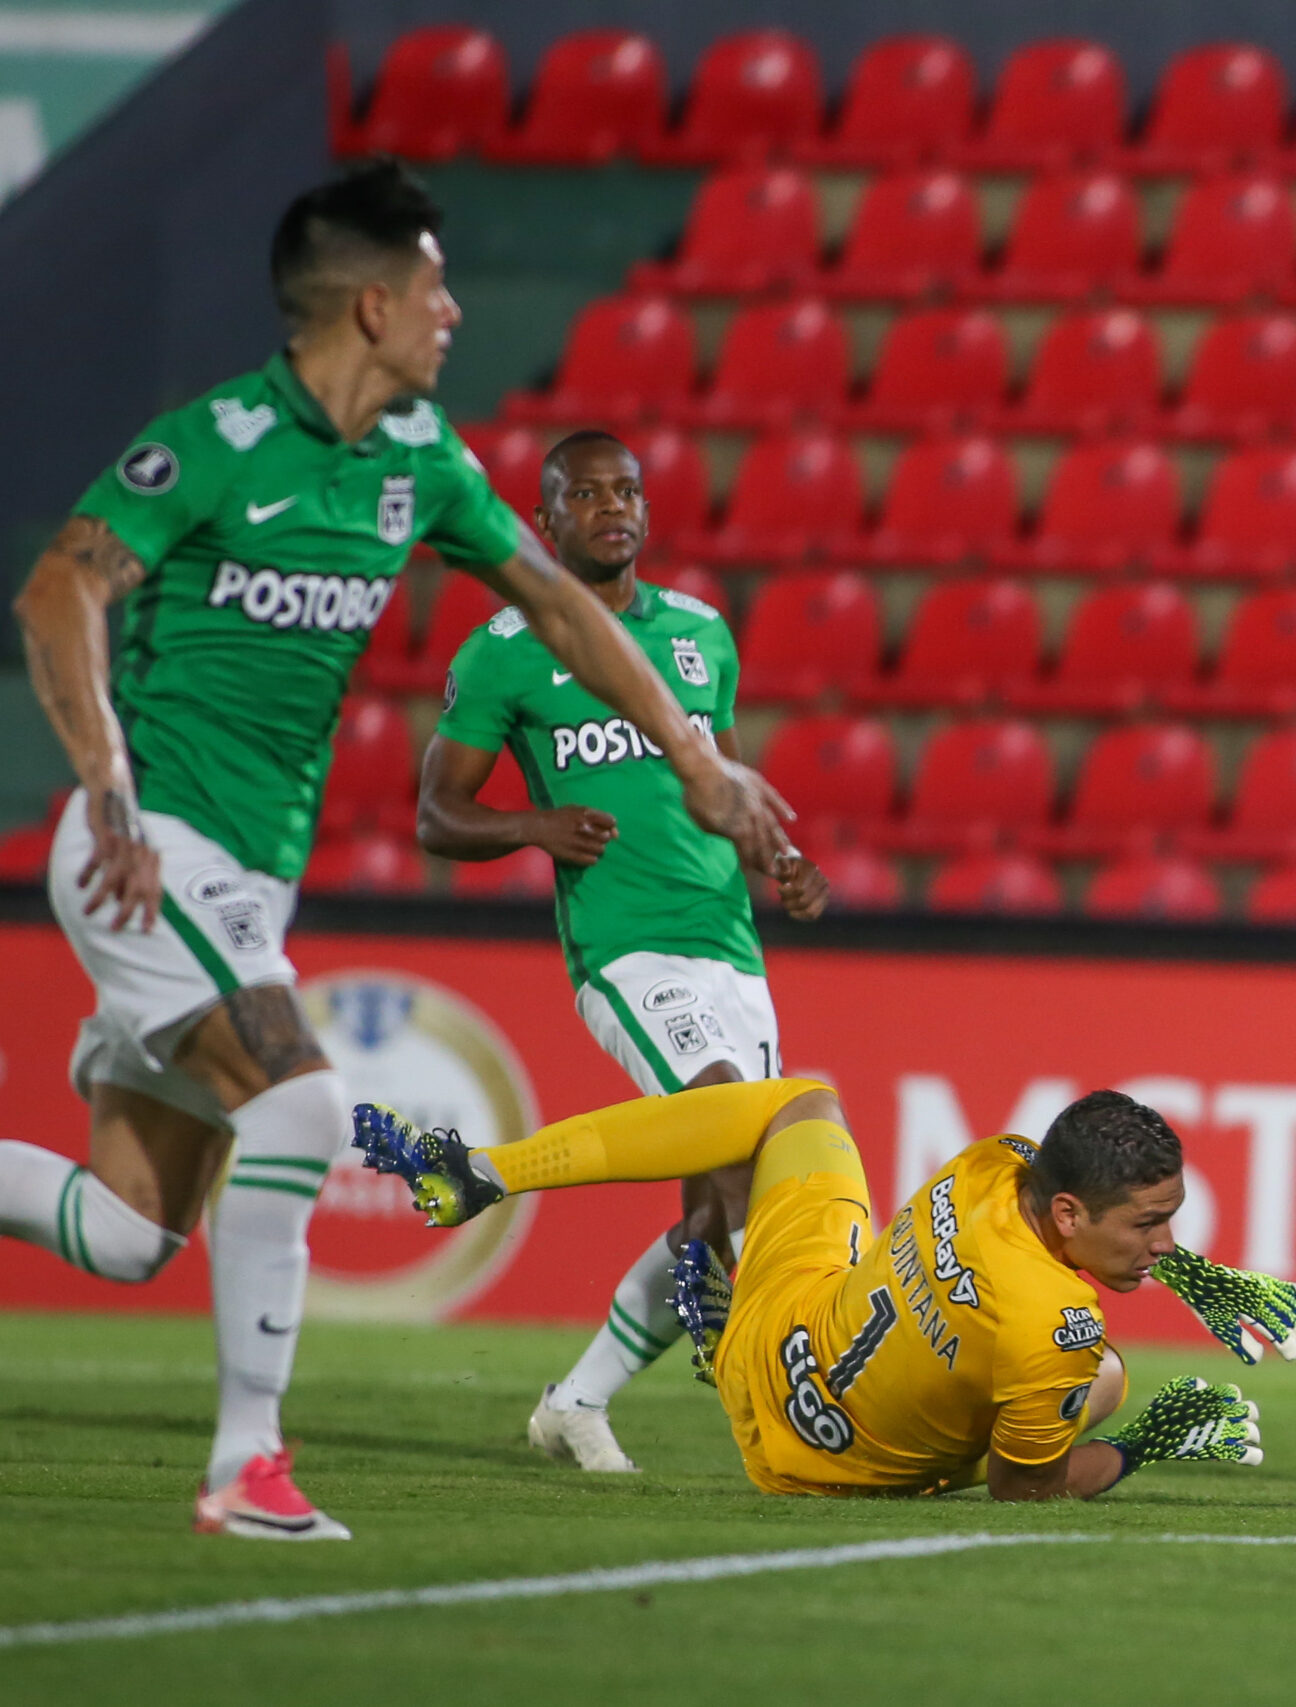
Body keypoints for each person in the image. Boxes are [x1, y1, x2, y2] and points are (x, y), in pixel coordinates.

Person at [0, 160, 792, 1540]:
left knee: (129, 1231)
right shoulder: (217, 440)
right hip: (149, 843)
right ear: (372, 303)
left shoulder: (419, 458)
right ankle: (248, 1468)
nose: (454, 311)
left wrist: (692, 752)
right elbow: (58, 588)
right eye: (434, 286)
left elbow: (560, 606)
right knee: (302, 1109)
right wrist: (111, 792)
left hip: (244, 881)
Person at [419, 429, 826, 1474]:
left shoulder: (699, 633)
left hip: (730, 947)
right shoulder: (504, 650)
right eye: (586, 494)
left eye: (627, 491)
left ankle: (576, 1402)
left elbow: (725, 784)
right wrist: (533, 827)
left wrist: (781, 858)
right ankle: (803, 1388)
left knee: (719, 1200)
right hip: (626, 950)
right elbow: (435, 812)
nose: (613, 508)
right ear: (544, 519)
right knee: (737, 1136)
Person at [351, 1083, 1296, 1499]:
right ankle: (720, 1320)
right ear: (1068, 1214)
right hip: (811, 1466)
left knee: (798, 1103)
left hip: (783, 1327)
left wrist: (1191, 1275)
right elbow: (1022, 1492)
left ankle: (491, 1170)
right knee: (1103, 1378)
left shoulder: (995, 1161)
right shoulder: (1058, 1325)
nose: (1166, 1243)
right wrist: (1148, 1442)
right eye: (1152, 1226)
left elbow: (1060, 1198)